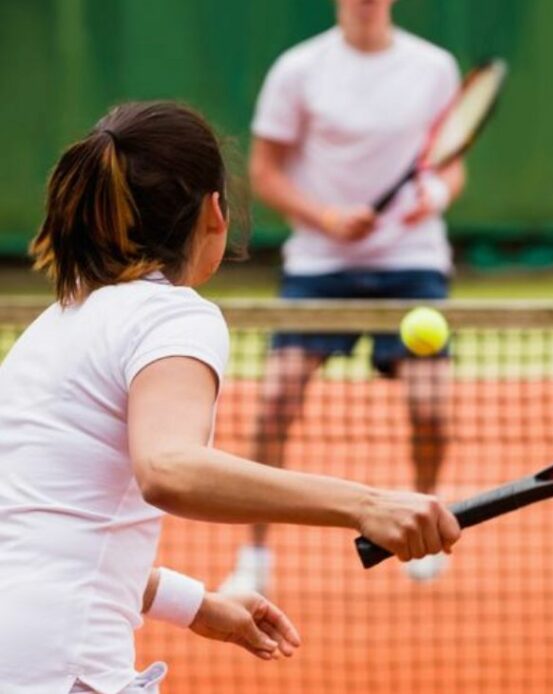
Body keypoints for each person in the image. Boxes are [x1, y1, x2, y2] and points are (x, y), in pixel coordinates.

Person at [0, 101, 461, 694]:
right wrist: (367, 504)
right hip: (57, 663)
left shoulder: (57, 324)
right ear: (214, 211)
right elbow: (169, 469)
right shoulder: (172, 316)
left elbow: (43, 538)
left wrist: (196, 604)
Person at [219, 0, 466, 590]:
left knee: (431, 410)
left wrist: (434, 198)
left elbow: (450, 165)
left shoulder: (433, 67)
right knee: (276, 403)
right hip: (320, 265)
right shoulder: (298, 70)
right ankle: (254, 557)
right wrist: (326, 217)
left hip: (412, 265)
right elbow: (266, 169)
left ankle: (424, 518)